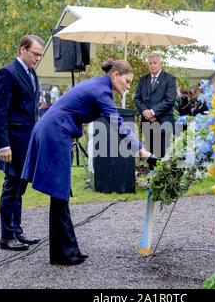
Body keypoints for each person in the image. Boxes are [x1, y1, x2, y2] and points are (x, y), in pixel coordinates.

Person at [22, 59, 157, 265]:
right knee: (60, 193)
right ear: (115, 75)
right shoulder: (101, 91)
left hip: (53, 129)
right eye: (127, 81)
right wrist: (142, 151)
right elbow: (118, 124)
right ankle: (63, 254)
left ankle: (68, 251)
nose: (128, 86)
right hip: (54, 132)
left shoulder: (98, 85)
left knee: (60, 195)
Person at [0, 35, 45, 251]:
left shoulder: (31, 73)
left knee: (20, 187)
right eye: (35, 54)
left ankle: (17, 230)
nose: (38, 59)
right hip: (12, 144)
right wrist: (3, 146)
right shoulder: (7, 73)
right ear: (23, 49)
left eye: (40, 55)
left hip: (27, 142)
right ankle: (7, 236)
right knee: (11, 187)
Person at [134, 52, 177, 159]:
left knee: (163, 154)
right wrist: (145, 112)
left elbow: (170, 100)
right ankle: (151, 174)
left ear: (160, 64)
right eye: (150, 63)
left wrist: (153, 112)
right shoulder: (143, 80)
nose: (152, 65)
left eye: (155, 63)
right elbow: (137, 98)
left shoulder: (169, 79)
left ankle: (163, 176)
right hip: (147, 122)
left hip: (163, 121)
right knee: (150, 153)